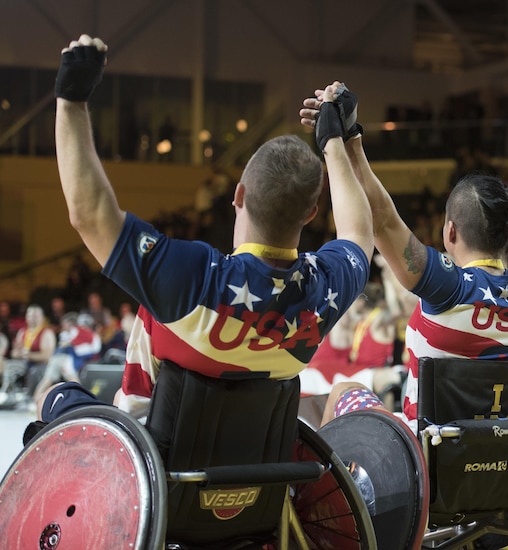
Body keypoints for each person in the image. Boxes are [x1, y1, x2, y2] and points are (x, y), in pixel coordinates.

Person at [36, 34, 373, 428]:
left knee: (54, 397)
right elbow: (359, 235)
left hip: (151, 469)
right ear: (312, 213)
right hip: (260, 476)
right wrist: (335, 140)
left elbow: (89, 215)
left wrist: (71, 99)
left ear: (238, 195)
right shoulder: (323, 289)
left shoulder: (192, 277)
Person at [299, 90, 508, 428]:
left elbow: (380, 217)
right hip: (501, 460)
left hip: (424, 461)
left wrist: (349, 137)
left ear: (450, 232)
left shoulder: (448, 286)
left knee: (344, 389)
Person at [32, 312, 101, 405]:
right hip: (59, 359)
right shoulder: (66, 334)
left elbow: (89, 348)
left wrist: (70, 344)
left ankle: (81, 400)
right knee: (50, 380)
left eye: (64, 324)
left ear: (70, 324)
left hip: (66, 360)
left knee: (71, 380)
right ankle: (35, 401)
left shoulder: (79, 332)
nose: (63, 326)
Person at [0, 304, 56, 408]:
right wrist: (17, 353)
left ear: (41, 318)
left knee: (35, 370)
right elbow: (14, 353)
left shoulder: (47, 333)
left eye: (35, 316)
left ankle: (31, 398)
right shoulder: (22, 332)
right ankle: (7, 395)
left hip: (41, 365)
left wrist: (27, 355)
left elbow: (47, 356)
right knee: (6, 364)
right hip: (24, 363)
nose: (32, 319)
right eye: (30, 316)